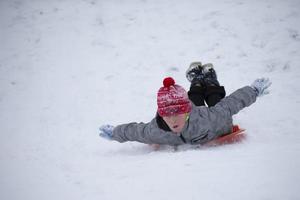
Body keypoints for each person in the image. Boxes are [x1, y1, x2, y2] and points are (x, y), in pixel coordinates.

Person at [99, 62, 272, 146]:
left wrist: (253, 90)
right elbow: (136, 131)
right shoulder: (156, 130)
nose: (172, 120)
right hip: (192, 110)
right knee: (195, 98)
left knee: (215, 102)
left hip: (213, 121)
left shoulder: (209, 119)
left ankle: (210, 80)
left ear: (187, 112)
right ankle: (197, 80)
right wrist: (116, 132)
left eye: (177, 114)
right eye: (167, 115)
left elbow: (231, 104)